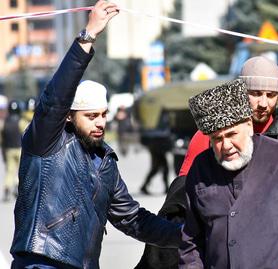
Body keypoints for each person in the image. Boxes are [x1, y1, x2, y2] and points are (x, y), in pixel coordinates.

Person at [10, 2, 179, 268]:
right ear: (69, 115)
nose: (100, 122)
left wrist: (187, 235)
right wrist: (89, 35)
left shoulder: (106, 161)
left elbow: (133, 219)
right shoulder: (46, 141)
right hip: (41, 262)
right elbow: (55, 98)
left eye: (103, 114)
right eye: (91, 116)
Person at [136, 56, 278, 268]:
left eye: (271, 95)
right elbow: (181, 206)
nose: (263, 103)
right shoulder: (204, 140)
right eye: (255, 94)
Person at [179, 79, 278, 269]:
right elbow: (191, 240)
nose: (226, 146)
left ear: (249, 126)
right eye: (217, 138)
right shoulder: (201, 168)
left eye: (232, 134)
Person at [139, 109, 172, 195]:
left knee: (157, 166)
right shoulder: (156, 114)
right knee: (162, 166)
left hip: (158, 141)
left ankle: (145, 186)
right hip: (156, 142)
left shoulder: (162, 113)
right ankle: (165, 187)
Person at [1, 101, 23, 202]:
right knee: (19, 170)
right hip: (19, 148)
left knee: (10, 170)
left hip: (8, 149)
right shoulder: (21, 121)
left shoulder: (4, 122)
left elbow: (1, 138)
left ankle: (7, 187)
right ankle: (16, 185)